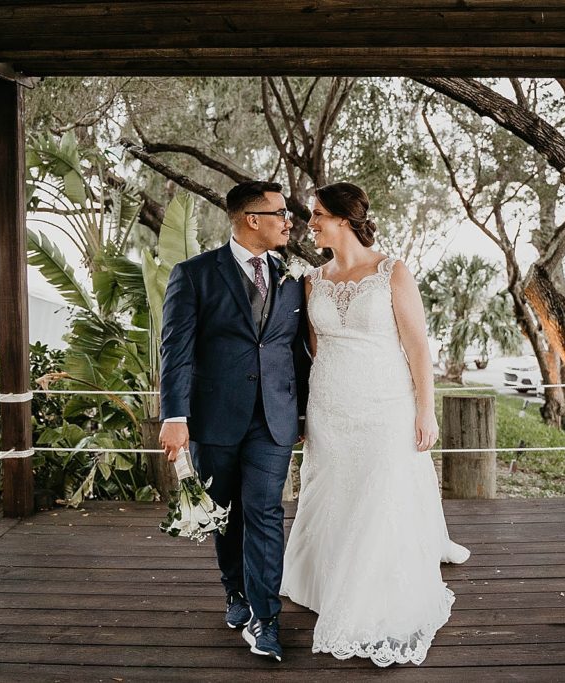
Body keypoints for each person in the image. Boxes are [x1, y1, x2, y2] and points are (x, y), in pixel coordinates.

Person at [280, 181, 469, 668]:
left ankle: (372, 591)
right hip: (330, 406)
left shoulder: (392, 271)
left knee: (380, 493)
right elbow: (314, 348)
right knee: (334, 489)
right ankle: (330, 580)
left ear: (344, 220)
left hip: (386, 404)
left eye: (318, 214)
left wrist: (425, 409)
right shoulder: (312, 279)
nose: (310, 223)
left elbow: (418, 345)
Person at [159, 181, 311, 663]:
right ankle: (236, 592)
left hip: (274, 417)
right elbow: (176, 351)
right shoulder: (195, 275)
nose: (288, 221)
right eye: (280, 213)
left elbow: (297, 351)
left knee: (265, 511)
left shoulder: (293, 277)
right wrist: (174, 416)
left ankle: (265, 618)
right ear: (251, 219)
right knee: (225, 512)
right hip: (214, 417)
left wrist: (303, 410)